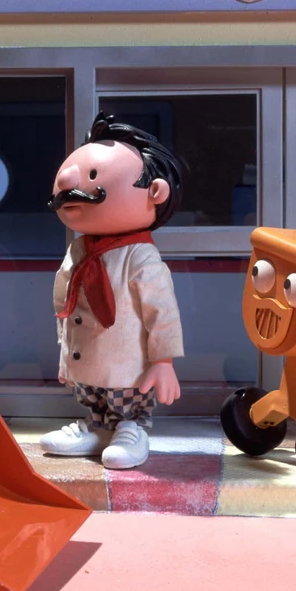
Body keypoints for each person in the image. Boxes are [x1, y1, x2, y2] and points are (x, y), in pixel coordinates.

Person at [40, 112, 185, 469]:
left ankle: (131, 428)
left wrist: (163, 362)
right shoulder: (78, 249)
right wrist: (65, 354)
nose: (67, 182)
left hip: (128, 364)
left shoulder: (141, 255)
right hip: (86, 355)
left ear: (155, 192)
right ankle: (96, 427)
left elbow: (162, 312)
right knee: (91, 391)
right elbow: (64, 302)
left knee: (125, 393)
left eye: (92, 175)